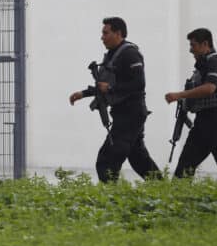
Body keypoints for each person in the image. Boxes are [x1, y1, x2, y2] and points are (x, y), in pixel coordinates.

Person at [69, 17, 162, 182]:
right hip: (124, 114)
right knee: (139, 159)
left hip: (131, 114)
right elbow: (105, 84)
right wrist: (83, 93)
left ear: (118, 33)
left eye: (106, 33)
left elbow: (139, 83)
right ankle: (163, 189)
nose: (102, 37)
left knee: (106, 161)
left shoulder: (130, 53)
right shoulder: (113, 55)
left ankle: (109, 201)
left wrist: (111, 89)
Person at [164, 28, 217, 181]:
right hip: (203, 123)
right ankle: (177, 201)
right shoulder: (202, 66)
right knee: (184, 169)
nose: (190, 50)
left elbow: (209, 88)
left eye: (193, 45)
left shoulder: (216, 61)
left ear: (205, 44)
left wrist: (179, 95)